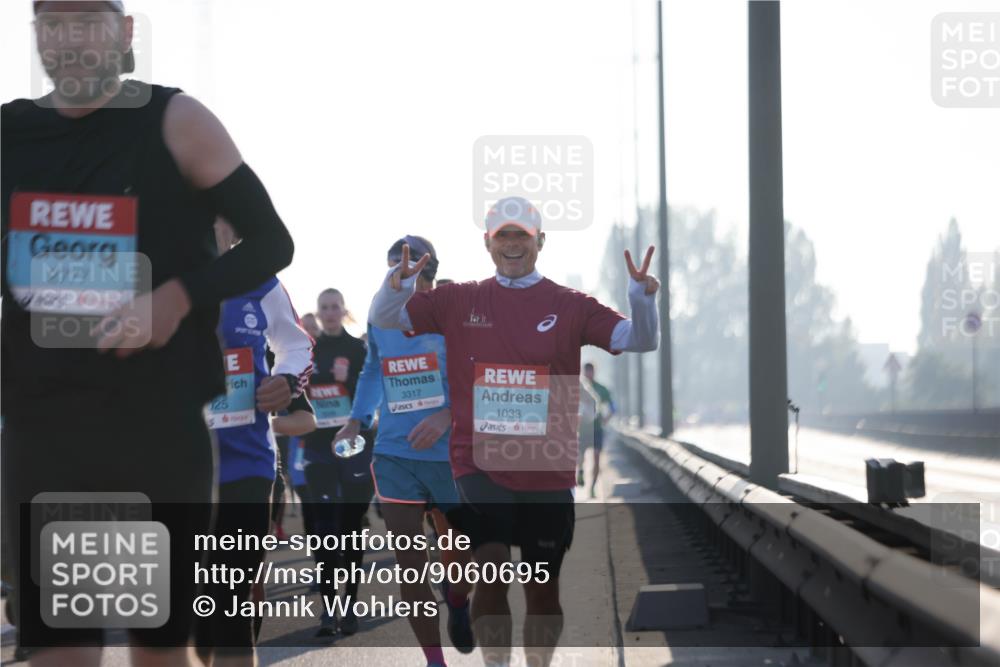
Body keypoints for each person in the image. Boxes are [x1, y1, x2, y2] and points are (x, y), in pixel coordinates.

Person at [2, 2, 294, 665]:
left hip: (152, 426)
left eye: (87, 20)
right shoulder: (10, 132)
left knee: (156, 648)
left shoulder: (175, 121)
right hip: (44, 426)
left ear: (125, 31)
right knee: (60, 648)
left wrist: (176, 297)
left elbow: (272, 241)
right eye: (52, 22)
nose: (69, 38)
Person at [369, 196, 659, 667]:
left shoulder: (570, 305)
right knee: (491, 571)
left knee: (543, 591)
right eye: (502, 235)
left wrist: (642, 299)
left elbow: (639, 338)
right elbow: (387, 317)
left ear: (540, 242)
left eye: (521, 235)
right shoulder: (459, 298)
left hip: (547, 469)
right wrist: (395, 285)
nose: (511, 244)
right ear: (487, 243)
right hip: (478, 466)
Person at [337, 235, 474, 666]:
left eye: (412, 264)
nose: (403, 270)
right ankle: (435, 661)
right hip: (395, 454)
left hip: (450, 456)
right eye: (395, 264)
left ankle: (457, 597)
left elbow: (479, 375)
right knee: (410, 566)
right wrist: (357, 417)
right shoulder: (380, 320)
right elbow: (373, 371)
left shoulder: (454, 313)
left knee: (462, 557)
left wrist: (448, 413)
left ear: (430, 269)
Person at [195, 220, 314, 666]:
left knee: (229, 598)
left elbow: (296, 345)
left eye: (218, 214)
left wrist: (284, 380)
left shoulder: (260, 280)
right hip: (176, 463)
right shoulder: (155, 274)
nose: (209, 224)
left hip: (247, 463)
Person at [302, 288, 373, 638]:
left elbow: (373, 392)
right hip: (318, 448)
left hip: (356, 446)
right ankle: (329, 610)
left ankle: (351, 603)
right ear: (318, 312)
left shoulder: (357, 350)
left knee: (350, 528)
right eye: (324, 307)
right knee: (324, 529)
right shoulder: (308, 350)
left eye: (335, 307)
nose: (330, 312)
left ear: (344, 310)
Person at [577, 362, 615, 498]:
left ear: (594, 372)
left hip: (597, 428)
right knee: (580, 456)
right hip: (583, 429)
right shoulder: (578, 388)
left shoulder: (601, 389)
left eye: (590, 371)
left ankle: (592, 487)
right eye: (586, 371)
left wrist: (606, 419)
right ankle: (580, 472)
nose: (588, 374)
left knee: (597, 458)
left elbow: (613, 407)